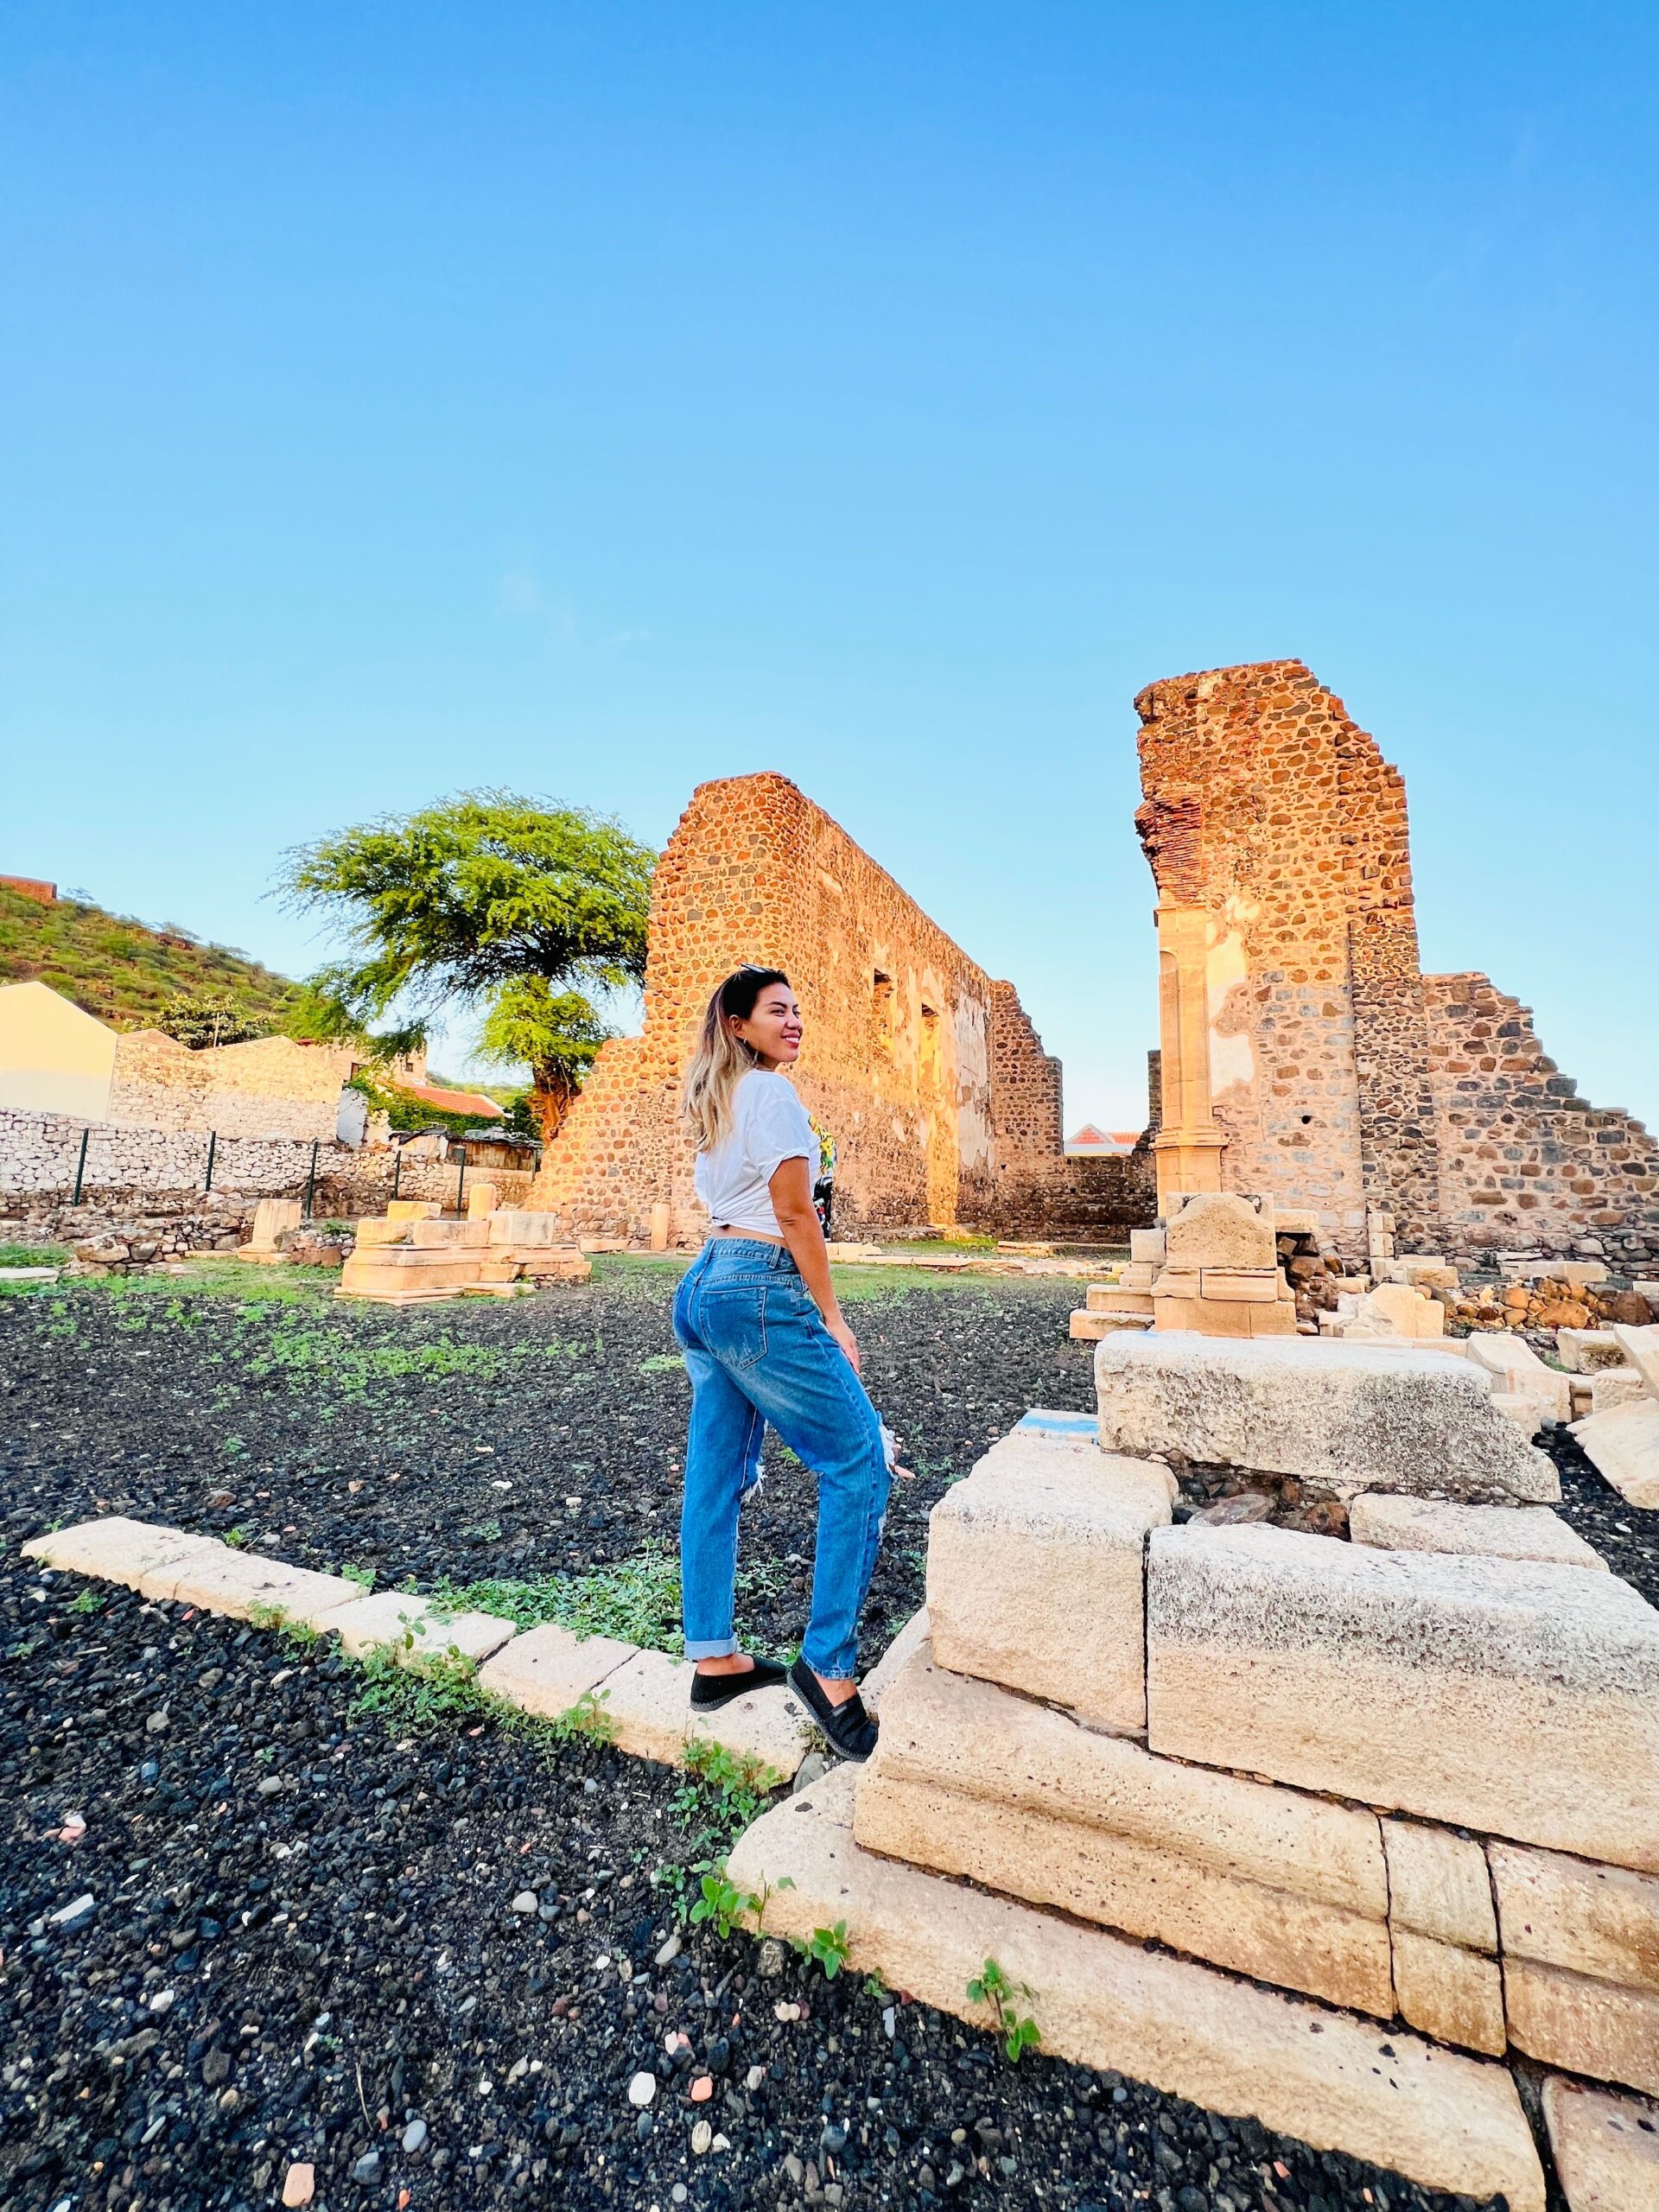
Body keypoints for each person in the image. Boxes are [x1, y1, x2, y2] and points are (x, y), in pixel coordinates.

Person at [672, 963, 889, 1761]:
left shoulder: (720, 1098)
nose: (793, 1022)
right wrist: (832, 1318)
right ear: (737, 1023)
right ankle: (828, 1671)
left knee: (716, 1476)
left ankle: (714, 1658)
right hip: (757, 1287)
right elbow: (797, 1215)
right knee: (858, 1458)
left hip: (703, 1286)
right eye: (776, 1011)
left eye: (798, 1010)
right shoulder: (770, 1094)